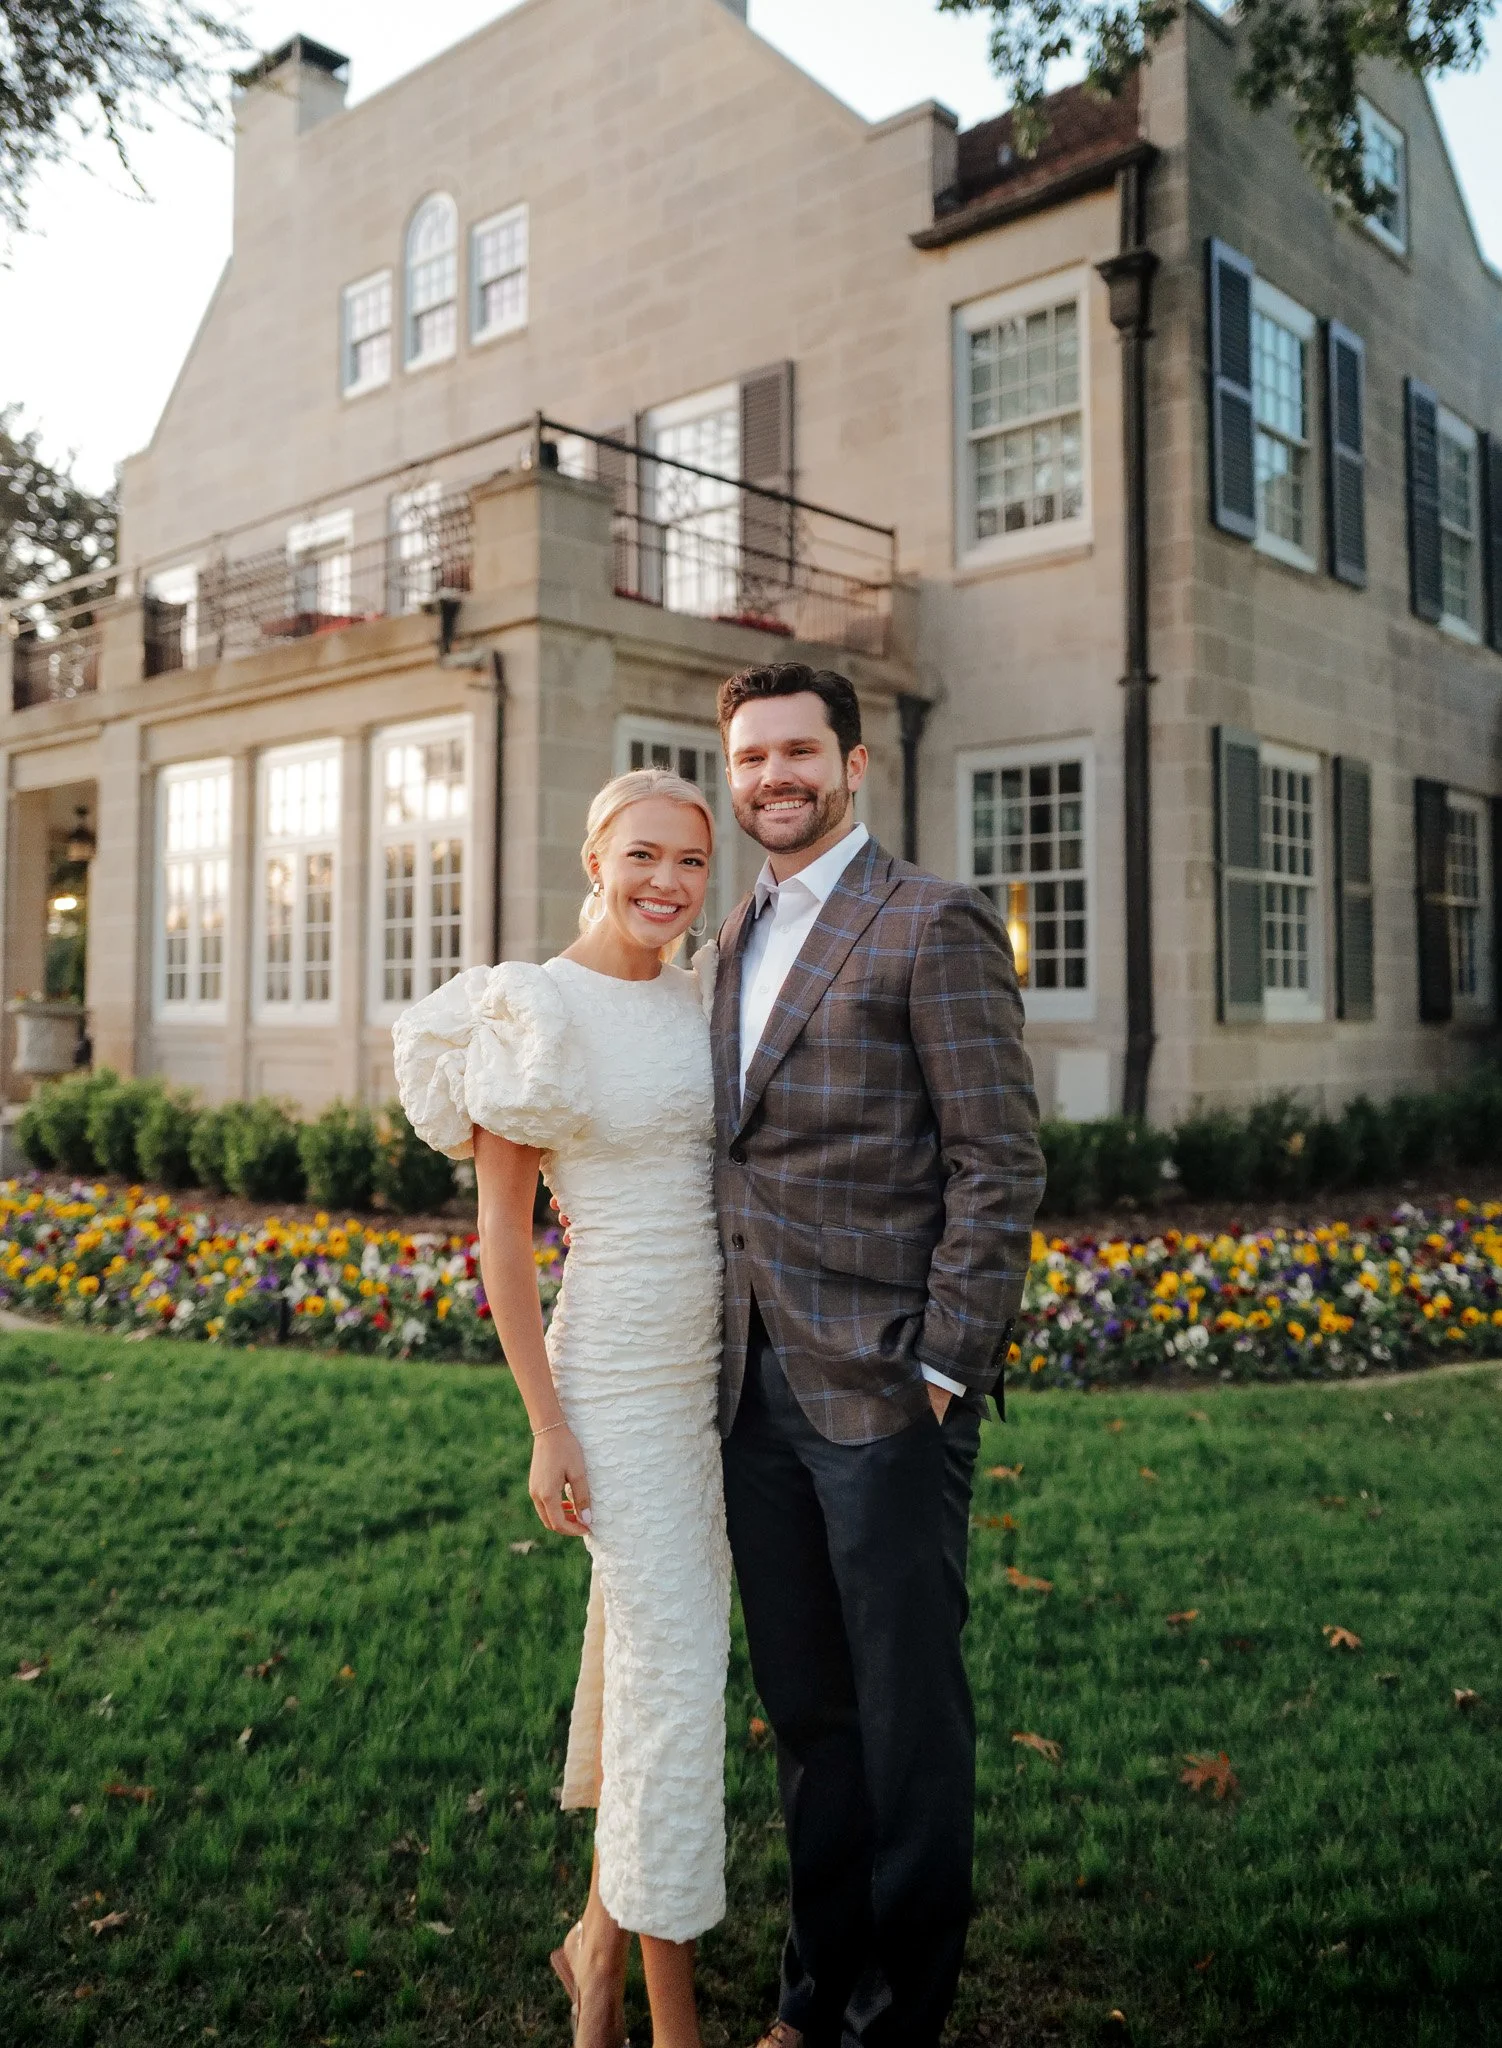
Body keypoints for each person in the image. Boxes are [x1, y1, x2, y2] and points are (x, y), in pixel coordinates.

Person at [711, 662, 1045, 2048]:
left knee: (907, 1728)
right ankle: (812, 1992)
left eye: (796, 753)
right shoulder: (729, 933)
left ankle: (897, 2017)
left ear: (853, 767)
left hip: (889, 1389)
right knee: (807, 1720)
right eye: (747, 760)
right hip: (751, 1391)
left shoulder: (932, 921)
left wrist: (945, 1360)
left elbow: (997, 1158)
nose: (770, 778)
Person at [392, 768, 730, 2048]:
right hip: (614, 1382)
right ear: (594, 857)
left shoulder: (699, 998)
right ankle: (660, 2011)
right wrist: (547, 1423)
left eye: (691, 862)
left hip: (716, 1380)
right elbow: (503, 1239)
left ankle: (590, 1945)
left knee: (647, 1661)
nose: (666, 882)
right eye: (642, 855)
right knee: (676, 1680)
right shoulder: (530, 1010)